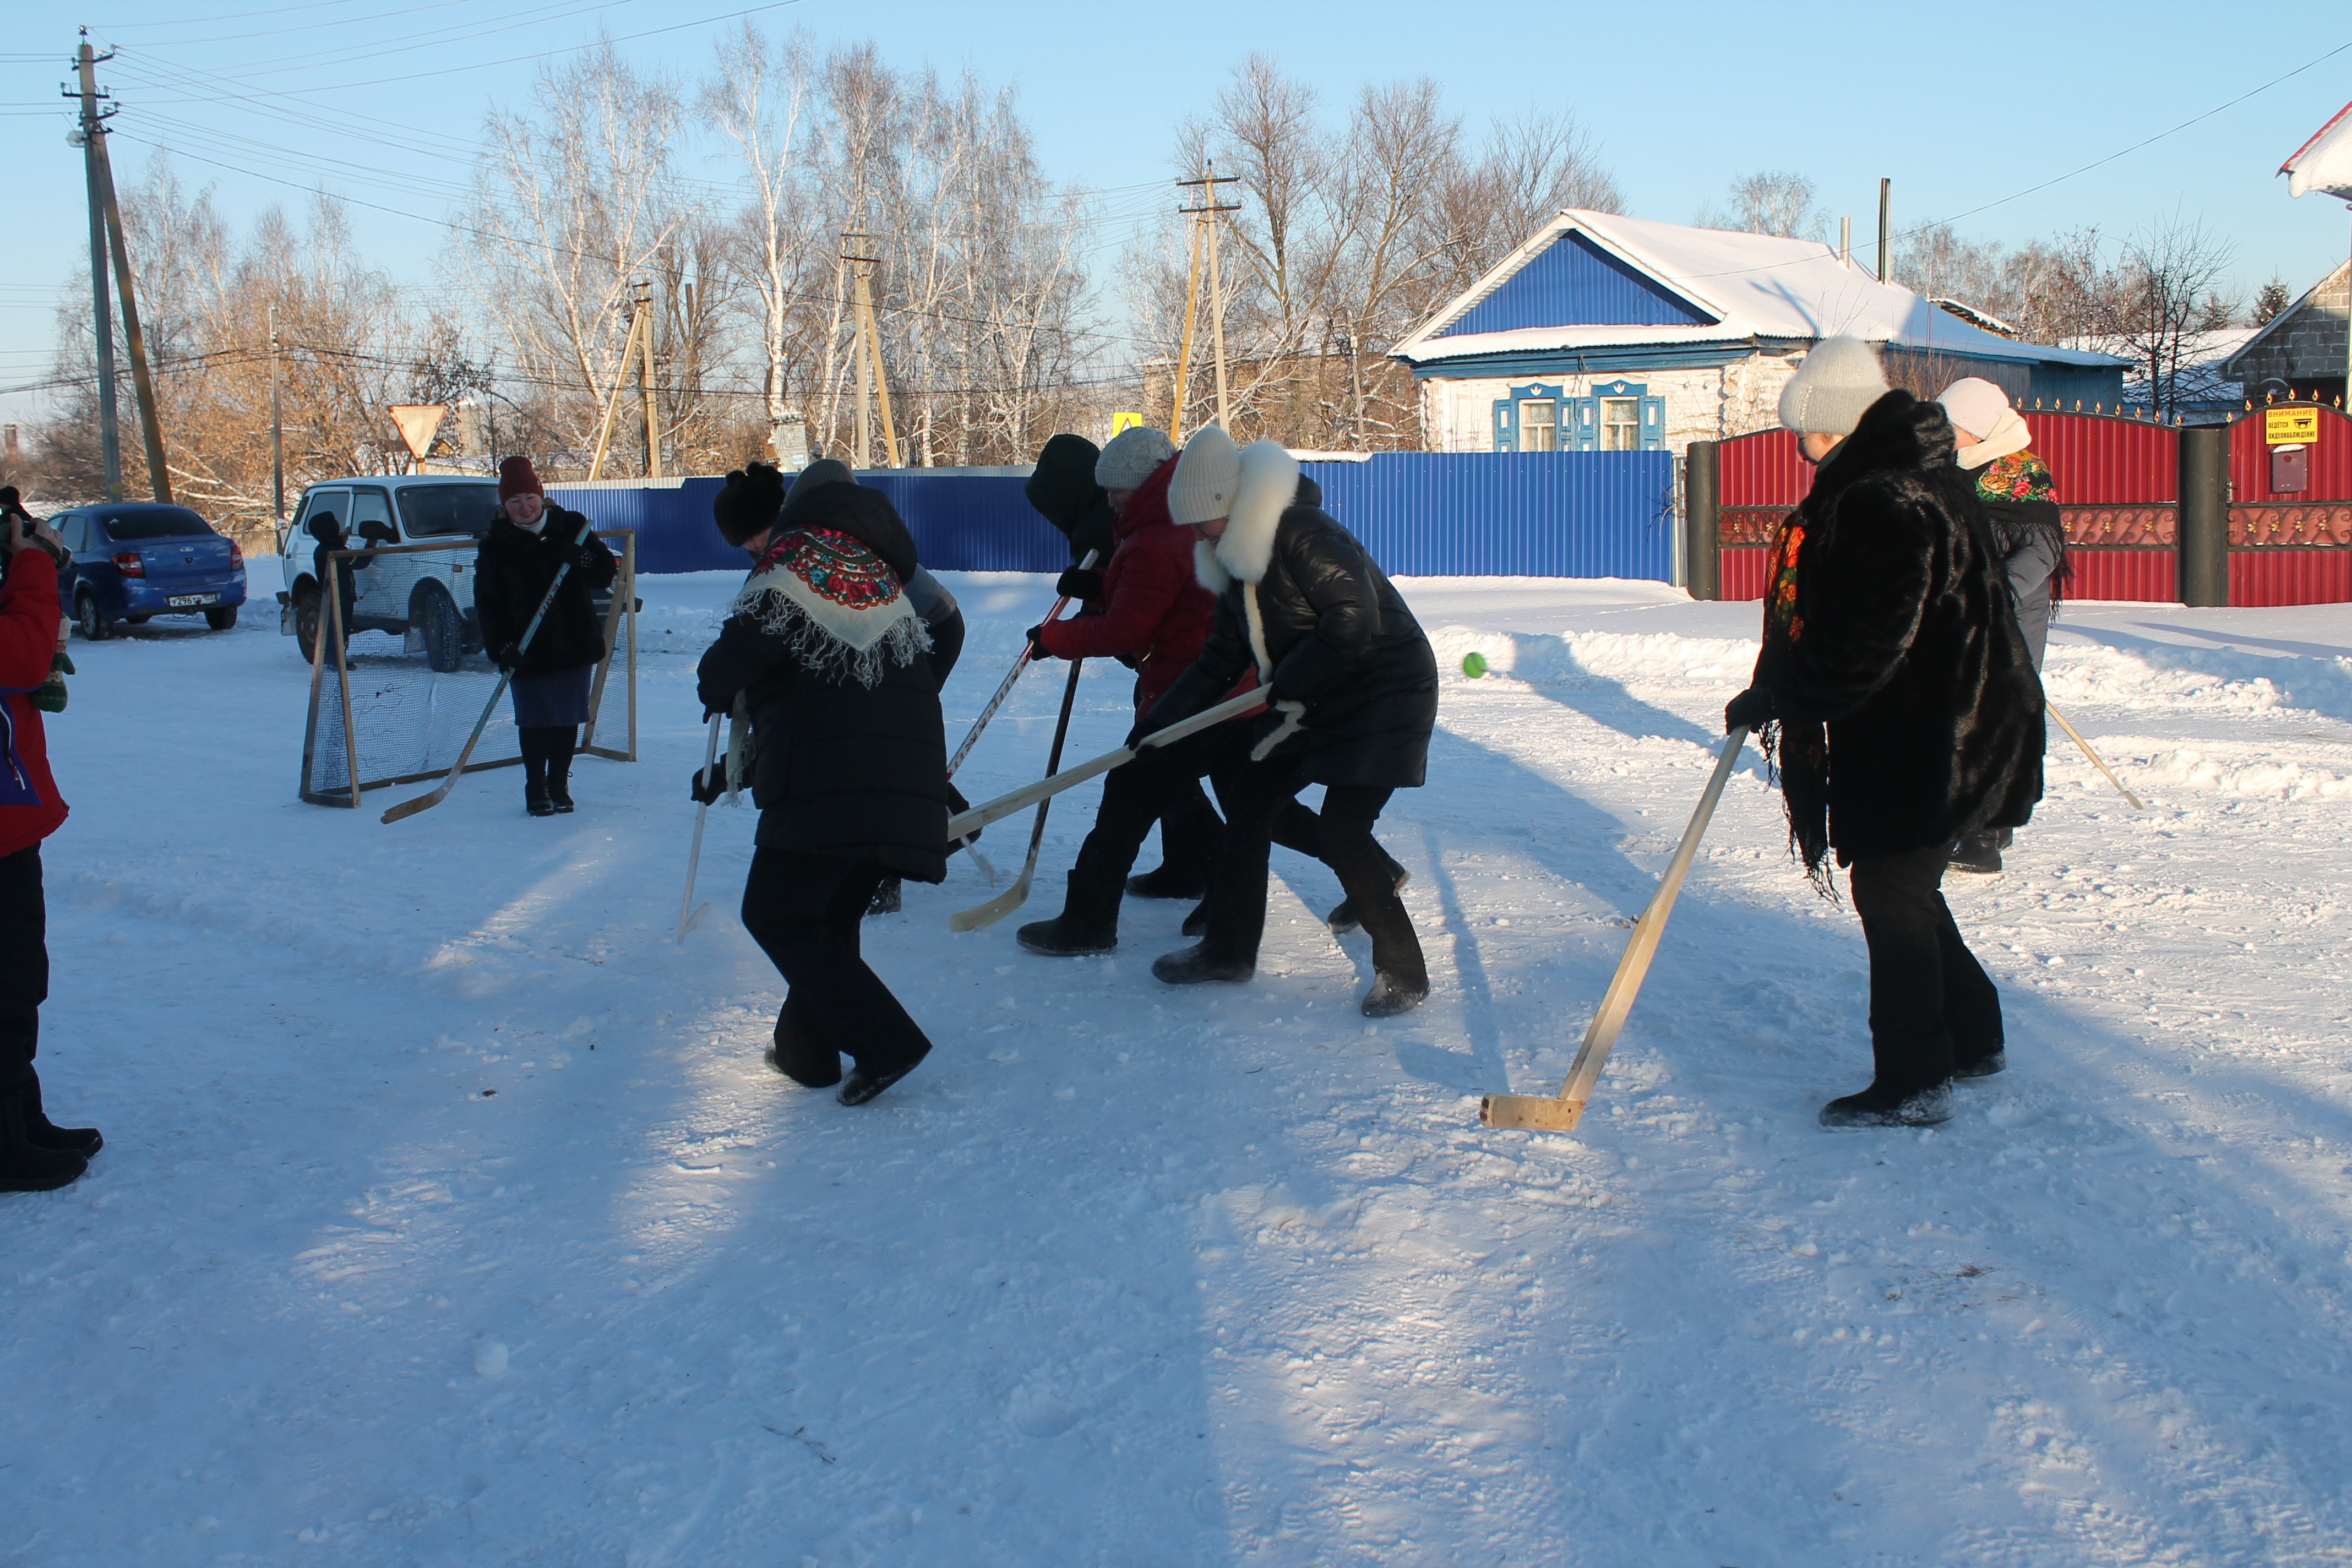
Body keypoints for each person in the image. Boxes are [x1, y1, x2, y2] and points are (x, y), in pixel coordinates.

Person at [1724, 337, 2045, 1129]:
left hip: (1932, 736)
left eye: (1803, 425)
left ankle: (1915, 1078)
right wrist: (1782, 688)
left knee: (1891, 891)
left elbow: (1872, 637)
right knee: (1908, 887)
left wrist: (1785, 692)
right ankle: (1974, 1038)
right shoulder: (1916, 478)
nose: (1799, 440)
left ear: (1826, 426)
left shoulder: (1881, 499)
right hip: (1950, 724)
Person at [1020, 428, 1436, 1017]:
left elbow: (1352, 618)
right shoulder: (1231, 557)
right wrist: (1156, 727)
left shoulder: (1302, 532)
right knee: (1250, 805)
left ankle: (1403, 973)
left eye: (1200, 524)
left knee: (1344, 829)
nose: (1194, 536)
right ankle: (1228, 951)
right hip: (1312, 695)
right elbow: (1219, 659)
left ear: (1226, 506)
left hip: (1384, 695)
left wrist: (1291, 680)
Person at [696, 462, 950, 1106]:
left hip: (831, 784)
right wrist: (735, 769)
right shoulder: (868, 571)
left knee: (776, 913)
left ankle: (889, 1042)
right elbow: (814, 697)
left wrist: (713, 683)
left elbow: (736, 661)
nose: (756, 550)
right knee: (827, 920)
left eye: (757, 536)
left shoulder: (795, 566)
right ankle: (806, 1053)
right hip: (893, 774)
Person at [1017, 425, 1230, 902]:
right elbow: (1147, 593)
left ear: (1138, 486)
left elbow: (1123, 628)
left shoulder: (1155, 536)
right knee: (1167, 785)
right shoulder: (1162, 522)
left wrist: (1056, 637)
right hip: (1189, 672)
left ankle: (1095, 919)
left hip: (1188, 677)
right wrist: (1099, 585)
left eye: (1115, 489)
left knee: (1138, 788)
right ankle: (1204, 886)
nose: (1109, 500)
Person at [774, 459, 966, 918]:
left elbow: (939, 619)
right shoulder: (845, 542)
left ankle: (891, 870)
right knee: (880, 751)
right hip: (921, 636)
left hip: (931, 637)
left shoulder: (855, 552)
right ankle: (952, 819)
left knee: (880, 753)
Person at [1, 502, 100, 1193]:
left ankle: (19, 1119)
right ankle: (6, 1144)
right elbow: (22, 654)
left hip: (11, 813)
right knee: (5, 984)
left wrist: (31, 554)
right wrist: (32, 565)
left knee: (19, 980)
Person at [1936, 377, 2067, 876]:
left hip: (2010, 613)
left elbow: (2043, 550)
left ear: (1977, 428)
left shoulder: (2021, 475)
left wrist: (1997, 594)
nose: (1946, 435)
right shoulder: (1955, 471)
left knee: (1995, 716)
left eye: (1954, 427)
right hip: (1963, 610)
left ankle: (1985, 834)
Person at [472, 456, 616, 816]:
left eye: (529, 497)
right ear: (505, 507)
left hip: (572, 641)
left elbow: (603, 573)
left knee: (567, 717)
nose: (524, 507)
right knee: (535, 719)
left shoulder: (572, 527)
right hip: (527, 648)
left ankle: (559, 785)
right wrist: (502, 647)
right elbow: (488, 603)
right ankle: (535, 786)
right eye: (514, 502)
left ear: (541, 495)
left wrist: (582, 559)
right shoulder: (496, 545)